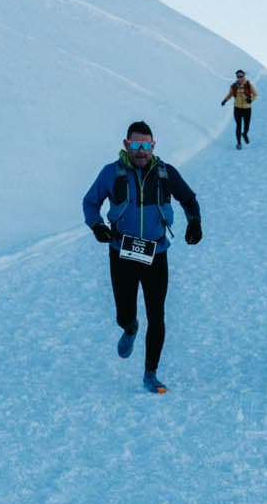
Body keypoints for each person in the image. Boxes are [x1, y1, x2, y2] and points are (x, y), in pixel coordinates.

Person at [80, 121, 202, 393]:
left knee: (157, 315)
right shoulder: (111, 173)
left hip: (155, 253)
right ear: (126, 145)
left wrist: (194, 221)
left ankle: (151, 373)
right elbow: (90, 202)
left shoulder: (165, 173)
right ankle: (130, 328)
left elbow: (188, 199)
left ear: (153, 146)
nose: (141, 151)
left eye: (146, 146)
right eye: (136, 145)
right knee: (125, 314)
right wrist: (96, 224)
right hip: (121, 253)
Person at [222, 70, 258, 148]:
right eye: (238, 76)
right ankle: (239, 143)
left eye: (241, 76)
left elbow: (255, 95)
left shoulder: (248, 85)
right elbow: (230, 94)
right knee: (238, 126)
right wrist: (224, 100)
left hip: (247, 109)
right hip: (237, 109)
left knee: (246, 126)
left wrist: (251, 100)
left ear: (244, 76)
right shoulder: (233, 86)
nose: (239, 78)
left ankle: (244, 134)